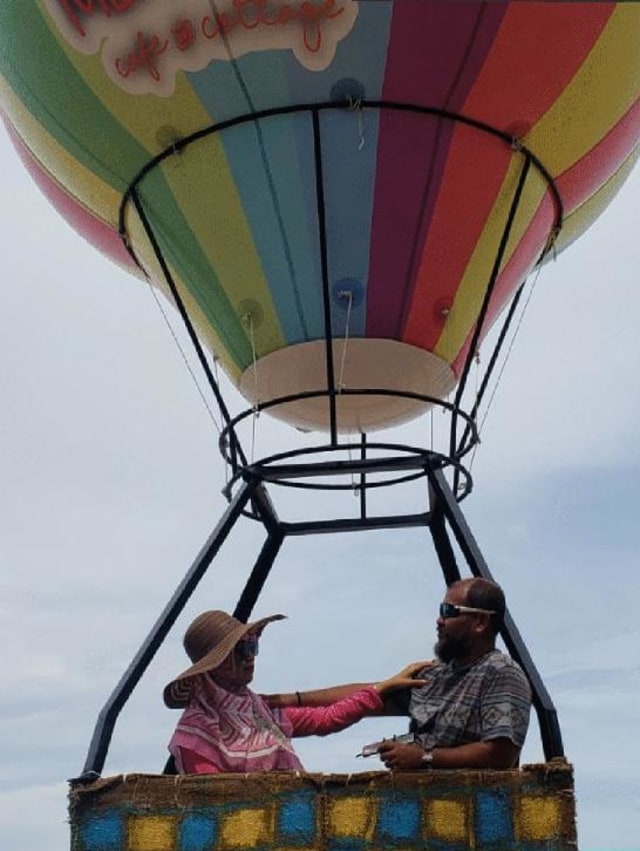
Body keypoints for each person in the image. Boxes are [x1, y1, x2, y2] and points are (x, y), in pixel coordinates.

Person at [164, 609, 427, 774]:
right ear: (217, 664)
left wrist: (382, 687)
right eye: (243, 650)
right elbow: (212, 802)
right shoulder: (195, 734)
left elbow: (326, 719)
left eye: (253, 646)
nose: (251, 657)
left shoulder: (260, 713)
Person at [376, 577, 532, 770]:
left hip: (473, 799)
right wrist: (383, 686)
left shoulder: (502, 672)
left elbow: (499, 754)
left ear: (480, 622)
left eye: (449, 612)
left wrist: (424, 757)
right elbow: (373, 697)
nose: (440, 620)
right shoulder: (437, 675)